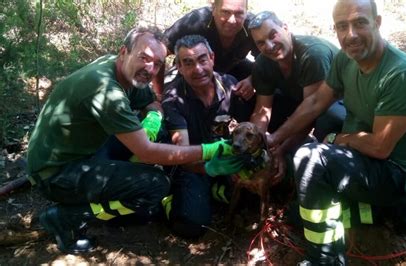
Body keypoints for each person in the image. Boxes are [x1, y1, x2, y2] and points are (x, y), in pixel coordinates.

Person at [27, 26, 243, 254]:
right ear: (124, 52)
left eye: (157, 63)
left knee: (158, 134)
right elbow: (148, 151)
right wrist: (210, 151)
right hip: (55, 174)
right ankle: (66, 218)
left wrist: (153, 116)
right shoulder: (106, 90)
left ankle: (124, 184)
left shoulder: (123, 70)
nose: (150, 68)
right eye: (144, 58)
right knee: (155, 186)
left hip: (83, 150)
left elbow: (151, 102)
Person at [284, 0, 406, 264]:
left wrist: (338, 140)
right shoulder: (346, 58)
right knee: (297, 212)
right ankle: (380, 213)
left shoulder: (402, 73)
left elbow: (379, 147)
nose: (350, 35)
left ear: (377, 23)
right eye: (342, 26)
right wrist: (276, 139)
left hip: (395, 172)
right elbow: (317, 102)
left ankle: (326, 259)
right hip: (364, 160)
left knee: (310, 159)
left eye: (360, 23)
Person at [161, 34, 246, 238]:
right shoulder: (173, 100)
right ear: (179, 68)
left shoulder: (229, 85)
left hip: (223, 154)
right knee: (190, 226)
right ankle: (167, 199)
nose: (197, 69)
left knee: (251, 200)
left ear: (212, 58)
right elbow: (182, 156)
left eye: (202, 60)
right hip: (192, 165)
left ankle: (216, 189)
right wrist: (210, 169)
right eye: (188, 63)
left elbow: (245, 128)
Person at [247, 11, 344, 181]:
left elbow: (313, 110)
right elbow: (262, 110)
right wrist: (256, 144)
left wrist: (280, 147)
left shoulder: (313, 54)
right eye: (261, 43)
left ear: (285, 28)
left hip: (338, 105)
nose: (269, 46)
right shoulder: (263, 63)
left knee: (326, 119)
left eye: (273, 35)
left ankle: (323, 168)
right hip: (303, 100)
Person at [156, 0, 258, 109]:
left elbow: (268, 59)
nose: (232, 20)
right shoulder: (196, 21)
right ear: (213, 9)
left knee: (269, 84)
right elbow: (159, 50)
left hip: (232, 68)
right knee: (169, 98)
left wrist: (253, 80)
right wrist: (159, 92)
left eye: (239, 13)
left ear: (246, 12)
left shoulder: (253, 26)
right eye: (225, 12)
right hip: (192, 69)